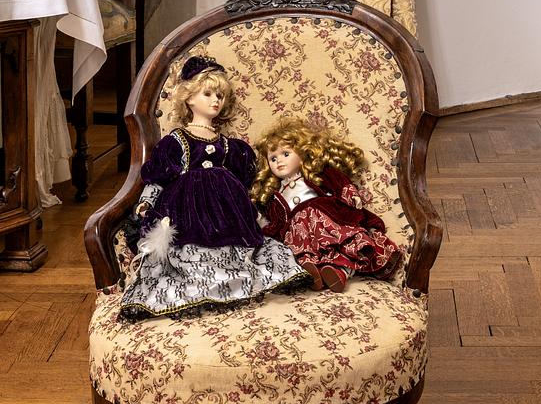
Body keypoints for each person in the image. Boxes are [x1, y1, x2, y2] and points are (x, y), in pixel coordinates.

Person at [120, 56, 309, 321]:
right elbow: (159, 178)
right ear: (189, 98)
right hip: (188, 209)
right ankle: (200, 282)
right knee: (189, 250)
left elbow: (242, 185)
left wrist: (252, 209)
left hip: (226, 211)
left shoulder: (230, 146)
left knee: (240, 248)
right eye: (207, 94)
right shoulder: (177, 140)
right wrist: (146, 202)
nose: (215, 101)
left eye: (219, 95)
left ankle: (233, 281)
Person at [251, 118, 401, 292]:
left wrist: (350, 195)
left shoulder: (316, 175)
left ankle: (340, 272)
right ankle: (313, 273)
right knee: (300, 250)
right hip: (301, 233)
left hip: (325, 220)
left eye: (285, 154)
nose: (279, 161)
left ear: (302, 153)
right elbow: (277, 222)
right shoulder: (276, 196)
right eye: (273, 158)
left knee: (343, 247)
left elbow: (339, 183)